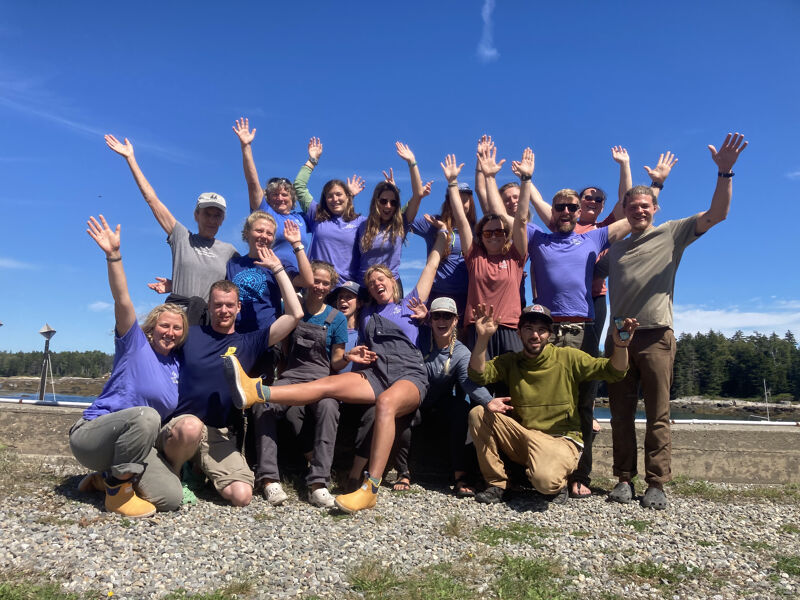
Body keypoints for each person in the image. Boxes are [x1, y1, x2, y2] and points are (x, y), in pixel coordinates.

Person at [223, 232, 450, 513]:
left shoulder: (411, 304)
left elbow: (431, 265)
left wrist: (443, 236)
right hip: (377, 371)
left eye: (381, 279)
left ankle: (369, 489)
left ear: (393, 281)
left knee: (385, 403)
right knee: (328, 385)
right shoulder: (365, 313)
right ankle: (256, 391)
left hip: (408, 372)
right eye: (371, 282)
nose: (377, 284)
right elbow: (329, 311)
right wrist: (354, 354)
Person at [598, 132, 747, 510]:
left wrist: (725, 173)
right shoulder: (612, 250)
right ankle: (623, 479)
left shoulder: (672, 234)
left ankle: (656, 483)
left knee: (658, 414)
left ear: (655, 208)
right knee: (620, 414)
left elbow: (717, 214)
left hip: (656, 336)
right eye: (633, 207)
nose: (639, 211)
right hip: (618, 338)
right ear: (624, 210)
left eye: (645, 206)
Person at [515, 147, 634, 499]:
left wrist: (646, 180)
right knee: (545, 401)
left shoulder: (593, 236)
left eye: (571, 207)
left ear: (578, 211)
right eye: (560, 207)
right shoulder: (538, 238)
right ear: (552, 212)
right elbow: (518, 221)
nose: (566, 212)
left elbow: (631, 215)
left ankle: (580, 473)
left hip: (583, 329)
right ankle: (544, 470)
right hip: (547, 331)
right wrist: (526, 180)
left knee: (583, 402)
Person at [70, 215, 202, 518]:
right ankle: (118, 493)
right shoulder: (134, 344)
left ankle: (103, 480)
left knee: (171, 498)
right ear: (152, 327)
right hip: (94, 438)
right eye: (165, 326)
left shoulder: (177, 365)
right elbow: (122, 300)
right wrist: (114, 256)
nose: (170, 332)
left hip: (135, 447)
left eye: (177, 328)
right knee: (147, 415)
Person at [165, 251, 303, 507]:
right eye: (218, 305)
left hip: (218, 434)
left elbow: (295, 315)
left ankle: (198, 468)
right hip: (182, 427)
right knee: (191, 427)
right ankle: (173, 474)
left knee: (242, 496)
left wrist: (277, 269)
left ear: (239, 307)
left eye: (229, 305)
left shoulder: (250, 342)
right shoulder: (189, 334)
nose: (224, 310)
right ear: (209, 306)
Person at [467, 303, 636, 504]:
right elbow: (478, 374)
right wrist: (483, 338)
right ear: (519, 333)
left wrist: (621, 346)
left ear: (550, 334)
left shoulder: (568, 357)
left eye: (541, 330)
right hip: (525, 437)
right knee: (479, 413)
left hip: (561, 441)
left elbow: (614, 371)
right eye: (529, 328)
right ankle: (498, 484)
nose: (535, 335)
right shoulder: (511, 362)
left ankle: (557, 479)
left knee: (545, 483)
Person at [104, 135, 237, 322]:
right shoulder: (182, 237)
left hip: (210, 323)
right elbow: (152, 200)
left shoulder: (229, 251)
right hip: (177, 320)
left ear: (222, 220)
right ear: (196, 215)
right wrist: (130, 159)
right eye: (207, 214)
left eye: (217, 216)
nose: (212, 220)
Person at [251, 261, 348, 508]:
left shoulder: (337, 319)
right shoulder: (293, 309)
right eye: (316, 281)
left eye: (326, 283)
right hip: (292, 377)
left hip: (321, 381)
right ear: (307, 281)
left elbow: (336, 362)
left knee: (329, 407)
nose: (320, 287)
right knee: (263, 404)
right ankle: (269, 479)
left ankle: (318, 483)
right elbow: (284, 349)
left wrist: (348, 357)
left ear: (330, 287)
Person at [388, 296, 493, 496]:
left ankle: (460, 474)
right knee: (404, 413)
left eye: (447, 316)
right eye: (437, 316)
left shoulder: (461, 352)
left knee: (462, 409)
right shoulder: (419, 339)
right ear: (431, 319)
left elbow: (468, 382)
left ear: (455, 320)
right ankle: (403, 471)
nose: (442, 321)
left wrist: (489, 401)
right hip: (417, 399)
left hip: (441, 401)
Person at [441, 151, 528, 363]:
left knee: (513, 382)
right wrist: (452, 183)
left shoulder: (516, 256)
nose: (494, 236)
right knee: (479, 380)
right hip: (477, 328)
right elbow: (461, 219)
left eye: (499, 232)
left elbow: (521, 220)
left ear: (506, 235)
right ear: (480, 236)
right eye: (488, 233)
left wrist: (525, 179)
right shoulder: (475, 257)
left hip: (509, 327)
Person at [232, 118, 310, 271]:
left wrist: (312, 161)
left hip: (297, 279)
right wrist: (246, 147)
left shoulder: (302, 218)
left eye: (284, 194)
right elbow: (252, 183)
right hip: (270, 275)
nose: (280, 198)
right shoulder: (265, 211)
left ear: (292, 198)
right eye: (275, 194)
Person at [291, 138, 366, 284]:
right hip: (316, 286)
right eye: (330, 196)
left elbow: (385, 221)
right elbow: (299, 186)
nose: (334, 199)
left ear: (348, 197)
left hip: (346, 289)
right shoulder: (317, 214)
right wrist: (312, 160)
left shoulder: (359, 222)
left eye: (339, 195)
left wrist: (391, 190)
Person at [356, 142, 430, 286]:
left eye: (393, 202)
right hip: (364, 287)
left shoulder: (400, 225)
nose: (388, 206)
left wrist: (412, 162)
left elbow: (418, 194)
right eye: (383, 201)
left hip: (390, 288)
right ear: (376, 202)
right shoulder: (362, 224)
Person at [226, 211, 311, 332]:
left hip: (267, 335)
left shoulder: (279, 264)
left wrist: (296, 243)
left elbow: (307, 281)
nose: (264, 236)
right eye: (259, 231)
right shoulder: (233, 263)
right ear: (247, 232)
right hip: (236, 334)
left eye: (269, 233)